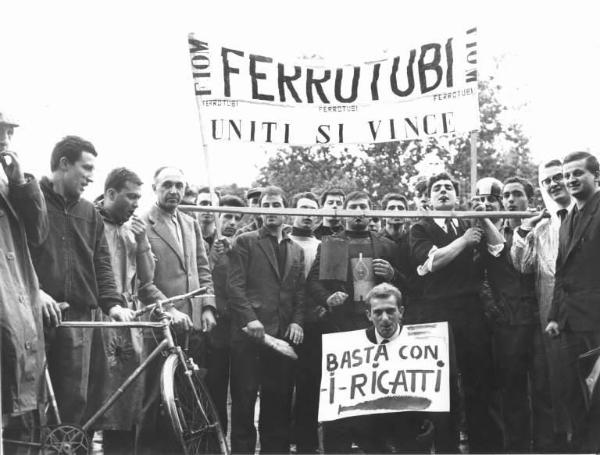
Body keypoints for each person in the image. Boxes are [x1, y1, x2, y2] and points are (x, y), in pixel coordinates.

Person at [30, 135, 133, 426]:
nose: (91, 177)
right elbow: (14, 256)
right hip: (35, 317)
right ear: (64, 164)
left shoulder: (89, 212)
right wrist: (35, 291)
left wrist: (113, 305)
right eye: (86, 168)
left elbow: (102, 264)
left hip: (78, 321)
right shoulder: (30, 201)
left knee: (75, 404)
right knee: (29, 406)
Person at [408, 172, 501, 452]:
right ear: (429, 198)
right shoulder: (420, 228)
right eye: (438, 188)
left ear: (457, 197)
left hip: (472, 311)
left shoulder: (468, 222)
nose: (444, 191)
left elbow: (497, 249)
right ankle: (447, 448)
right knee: (442, 386)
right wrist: (464, 240)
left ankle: (484, 447)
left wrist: (482, 218)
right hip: (437, 312)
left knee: (479, 381)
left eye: (449, 188)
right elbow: (431, 262)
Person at [307, 190, 404, 452]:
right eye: (353, 207)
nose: (358, 212)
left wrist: (393, 274)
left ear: (370, 212)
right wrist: (328, 298)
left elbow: (409, 285)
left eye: (363, 207)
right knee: (339, 392)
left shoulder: (387, 245)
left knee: (378, 391)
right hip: (341, 328)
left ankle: (376, 447)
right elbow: (313, 283)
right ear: (344, 212)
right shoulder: (331, 243)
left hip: (378, 330)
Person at [88, 168, 168, 453]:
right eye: (130, 196)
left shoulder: (133, 227)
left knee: (126, 402)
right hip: (97, 316)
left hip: (129, 320)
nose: (136, 203)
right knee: (90, 397)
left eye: (139, 197)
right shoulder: (90, 220)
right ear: (111, 193)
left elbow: (148, 279)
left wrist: (143, 241)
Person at [139, 166, 216, 452]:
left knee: (185, 397)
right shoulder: (142, 223)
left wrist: (207, 307)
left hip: (192, 323)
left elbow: (203, 268)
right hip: (159, 324)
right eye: (167, 185)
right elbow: (142, 282)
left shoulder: (190, 223)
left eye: (179, 186)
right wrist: (168, 309)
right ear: (154, 188)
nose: (174, 191)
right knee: (152, 399)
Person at [475, 176, 554, 452]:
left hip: (538, 320)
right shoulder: (488, 233)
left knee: (544, 389)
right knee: (512, 392)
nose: (510, 200)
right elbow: (480, 277)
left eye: (516, 195)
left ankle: (546, 447)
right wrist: (492, 308)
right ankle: (516, 448)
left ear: (528, 199)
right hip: (506, 325)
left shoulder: (543, 228)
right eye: (505, 196)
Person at [227, 185, 306, 454]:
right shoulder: (245, 241)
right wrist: (250, 319)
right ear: (259, 210)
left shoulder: (296, 249)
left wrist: (296, 322)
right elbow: (234, 287)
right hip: (249, 338)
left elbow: (299, 292)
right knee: (244, 403)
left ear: (285, 210)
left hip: (282, 338)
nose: (271, 211)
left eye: (276, 205)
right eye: (266, 205)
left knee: (278, 405)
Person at [0, 111, 57, 448]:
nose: (5, 140)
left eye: (8, 133)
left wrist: (21, 183)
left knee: (18, 413)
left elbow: (38, 233)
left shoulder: (10, 186)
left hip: (17, 312)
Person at [511, 159, 573, 447]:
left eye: (557, 177)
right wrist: (523, 232)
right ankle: (557, 444)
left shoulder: (589, 214)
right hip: (551, 316)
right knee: (551, 384)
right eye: (546, 180)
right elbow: (523, 266)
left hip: (587, 317)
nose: (552, 183)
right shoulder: (543, 226)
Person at [545, 151, 600, 452]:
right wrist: (554, 316)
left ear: (596, 176)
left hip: (596, 320)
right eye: (567, 175)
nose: (570, 180)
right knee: (573, 394)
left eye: (577, 173)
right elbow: (561, 273)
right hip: (568, 323)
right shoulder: (567, 220)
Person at [361, 283, 436, 453]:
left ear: (401, 312)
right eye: (378, 312)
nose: (385, 318)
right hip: (372, 422)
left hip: (410, 420)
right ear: (369, 315)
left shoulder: (423, 343)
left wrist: (433, 420)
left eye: (390, 311)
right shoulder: (355, 346)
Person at [205, 194, 246, 435]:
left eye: (236, 218)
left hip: (240, 325)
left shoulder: (245, 244)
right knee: (215, 387)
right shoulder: (206, 245)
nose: (231, 222)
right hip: (216, 325)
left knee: (242, 389)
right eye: (227, 216)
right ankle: (216, 441)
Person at [288, 192, 322, 453]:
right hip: (287, 323)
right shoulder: (285, 243)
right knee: (284, 386)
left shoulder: (323, 245)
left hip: (316, 323)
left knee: (310, 387)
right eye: (303, 208)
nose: (308, 214)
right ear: (293, 212)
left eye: (313, 209)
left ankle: (307, 445)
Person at [196, 186, 221, 251]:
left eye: (212, 204)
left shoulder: (222, 238)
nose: (208, 208)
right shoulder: (185, 234)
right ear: (195, 206)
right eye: (203, 204)